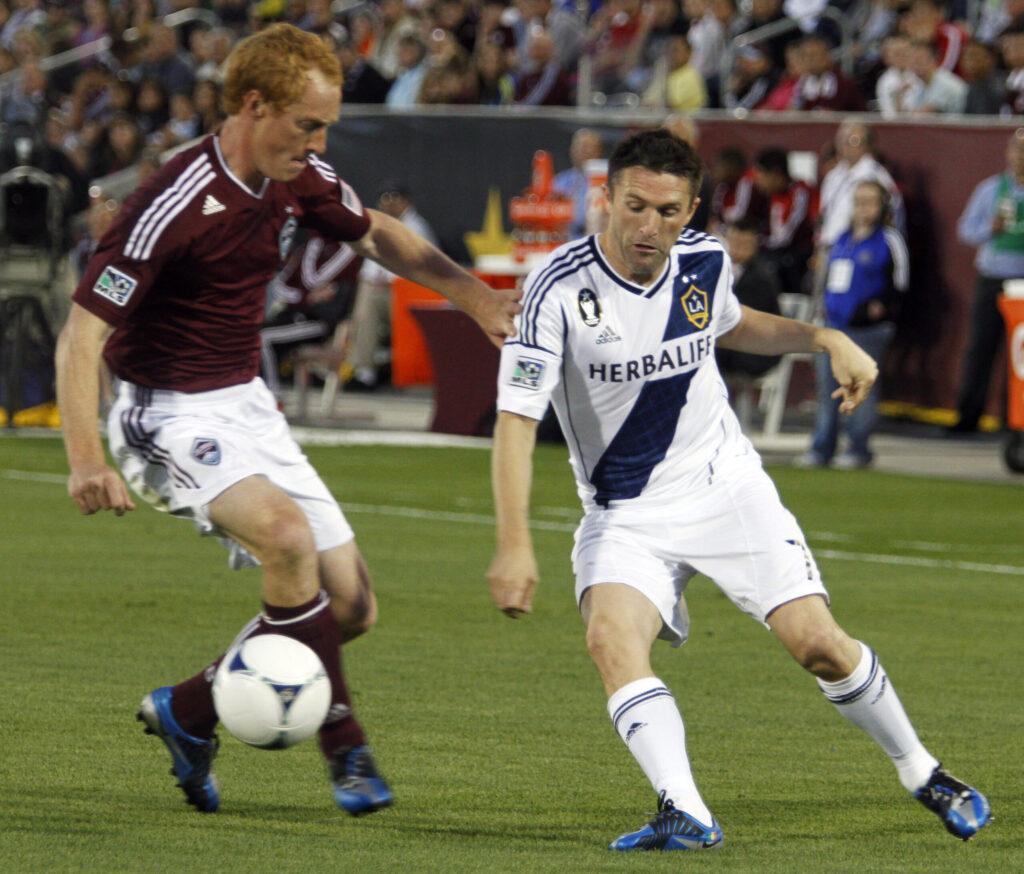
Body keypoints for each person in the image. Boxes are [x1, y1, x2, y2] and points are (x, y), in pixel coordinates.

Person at [55, 23, 520, 817]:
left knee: (349, 609)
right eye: (308, 124)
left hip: (247, 405)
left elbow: (373, 231)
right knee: (288, 541)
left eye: (327, 125)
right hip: (163, 413)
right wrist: (86, 459)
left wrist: (473, 295)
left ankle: (189, 712)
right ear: (255, 105)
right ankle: (348, 747)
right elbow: (81, 336)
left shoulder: (296, 176)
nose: (319, 141)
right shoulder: (170, 204)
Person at [486, 128, 990, 851]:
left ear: (691, 210)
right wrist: (513, 545)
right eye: (634, 206)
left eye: (668, 211)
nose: (649, 227)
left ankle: (923, 771)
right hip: (625, 512)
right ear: (605, 198)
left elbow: (733, 325)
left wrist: (823, 338)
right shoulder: (557, 291)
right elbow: (513, 422)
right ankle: (686, 811)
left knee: (818, 644)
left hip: (726, 488)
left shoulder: (704, 263)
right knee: (610, 638)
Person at [797, 180, 908, 469]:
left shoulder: (889, 239)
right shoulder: (842, 239)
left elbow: (901, 283)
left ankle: (858, 448)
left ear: (882, 206)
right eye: (859, 201)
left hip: (867, 330)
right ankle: (822, 448)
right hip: (834, 326)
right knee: (827, 389)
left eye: (870, 201)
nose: (864, 208)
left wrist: (881, 309)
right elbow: (826, 280)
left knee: (860, 388)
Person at [948, 128, 1024, 433]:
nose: (1021, 156)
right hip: (992, 277)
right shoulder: (991, 189)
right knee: (979, 349)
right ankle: (968, 416)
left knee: (1018, 355)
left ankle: (1014, 421)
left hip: (1022, 284)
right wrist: (989, 229)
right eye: (1017, 150)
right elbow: (965, 229)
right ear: (1008, 154)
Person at [344, 179, 440, 392]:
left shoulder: (416, 227)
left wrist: (386, 281)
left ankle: (400, 374)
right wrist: (375, 280)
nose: (389, 204)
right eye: (384, 199)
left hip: (414, 294)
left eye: (394, 198)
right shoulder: (377, 225)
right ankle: (363, 372)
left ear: (406, 201)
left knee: (372, 297)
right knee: (366, 298)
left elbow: (417, 267)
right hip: (386, 295)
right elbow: (368, 269)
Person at [552, 128, 604, 240]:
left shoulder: (604, 182)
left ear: (598, 151)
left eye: (588, 146)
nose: (582, 150)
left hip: (593, 239)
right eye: (579, 146)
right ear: (571, 150)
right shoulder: (560, 181)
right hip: (563, 239)